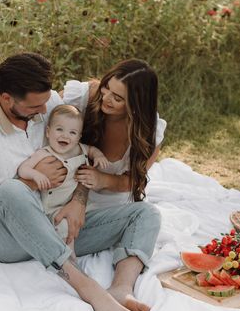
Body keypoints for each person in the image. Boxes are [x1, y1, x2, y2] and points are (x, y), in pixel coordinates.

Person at [0, 52, 161, 311]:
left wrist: (79, 201)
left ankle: (121, 288)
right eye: (35, 107)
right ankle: (87, 288)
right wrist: (29, 180)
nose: (45, 111)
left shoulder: (48, 102)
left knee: (146, 214)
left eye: (46, 102)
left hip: (55, 222)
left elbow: (80, 158)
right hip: (3, 238)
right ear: (7, 99)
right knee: (11, 190)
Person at [61, 59, 167, 211]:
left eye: (117, 98)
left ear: (136, 105)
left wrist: (102, 179)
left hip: (110, 201)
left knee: (149, 215)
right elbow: (44, 109)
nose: (105, 98)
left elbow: (135, 181)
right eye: (106, 88)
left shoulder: (148, 132)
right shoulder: (84, 96)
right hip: (65, 191)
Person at [17, 104, 109, 254]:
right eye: (59, 129)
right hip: (53, 210)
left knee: (94, 214)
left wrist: (99, 156)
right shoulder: (45, 153)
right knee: (64, 226)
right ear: (48, 132)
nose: (65, 136)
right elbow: (23, 169)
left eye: (72, 132)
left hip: (76, 205)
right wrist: (36, 175)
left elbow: (92, 150)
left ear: (79, 137)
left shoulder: (80, 149)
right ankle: (68, 256)